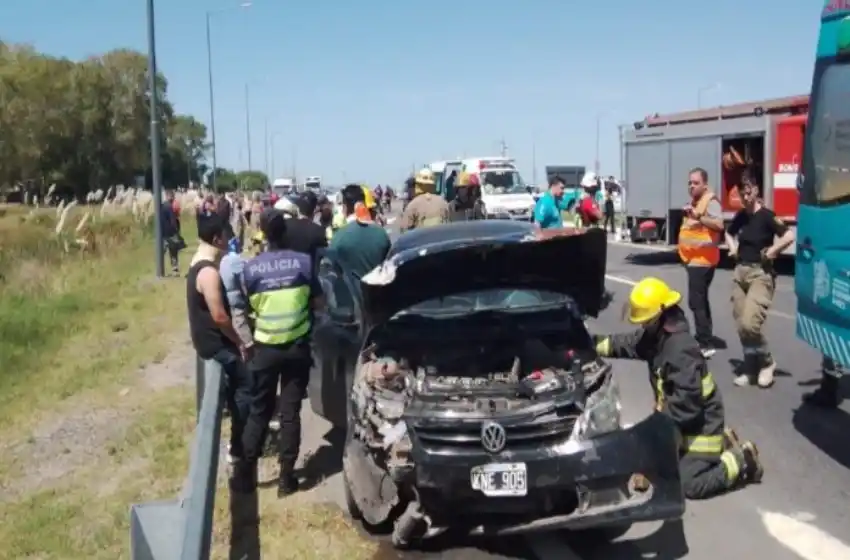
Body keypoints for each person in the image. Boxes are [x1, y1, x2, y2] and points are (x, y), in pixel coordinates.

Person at [594, 277, 763, 499]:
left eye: (646, 320)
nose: (642, 325)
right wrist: (590, 344)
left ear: (659, 315)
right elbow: (625, 344)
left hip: (701, 424)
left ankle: (743, 460)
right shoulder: (658, 336)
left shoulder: (679, 350)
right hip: (685, 421)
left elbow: (686, 407)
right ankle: (724, 441)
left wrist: (654, 429)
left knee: (688, 485)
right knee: (658, 454)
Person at [236, 211, 325, 496]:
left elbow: (248, 309)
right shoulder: (303, 263)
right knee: (290, 413)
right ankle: (287, 479)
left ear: (262, 234)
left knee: (259, 411)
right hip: (297, 348)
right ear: (284, 232)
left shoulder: (251, 269)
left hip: (265, 349)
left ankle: (245, 476)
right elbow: (319, 303)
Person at [187, 214, 252, 471]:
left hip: (206, 342)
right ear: (217, 239)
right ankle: (239, 447)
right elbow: (220, 316)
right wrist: (240, 343)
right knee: (246, 385)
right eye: (228, 236)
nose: (231, 240)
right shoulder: (209, 273)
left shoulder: (198, 264)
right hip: (214, 344)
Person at [725, 173, 795, 388]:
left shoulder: (766, 216)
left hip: (760, 275)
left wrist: (773, 251)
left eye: (749, 192)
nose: (746, 197)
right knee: (741, 326)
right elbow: (728, 232)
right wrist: (733, 248)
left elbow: (789, 235)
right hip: (739, 274)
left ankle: (766, 363)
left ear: (756, 191)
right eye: (742, 193)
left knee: (750, 323)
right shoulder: (740, 217)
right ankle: (749, 367)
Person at [679, 167, 725, 358]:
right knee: (701, 301)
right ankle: (706, 337)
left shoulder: (710, 201)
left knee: (696, 301)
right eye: (690, 182)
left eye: (696, 183)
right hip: (695, 259)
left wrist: (698, 216)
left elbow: (719, 224)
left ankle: (704, 342)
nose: (692, 186)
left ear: (705, 184)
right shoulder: (696, 202)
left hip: (703, 261)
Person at [329, 184, 391, 279]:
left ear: (345, 207)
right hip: (379, 291)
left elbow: (331, 270)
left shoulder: (339, 238)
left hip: (351, 293)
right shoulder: (381, 234)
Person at [160, 191, 182, 275]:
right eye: (172, 197)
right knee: (173, 251)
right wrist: (176, 230)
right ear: (171, 197)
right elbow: (173, 221)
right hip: (171, 233)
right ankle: (174, 269)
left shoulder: (162, 206)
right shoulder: (170, 207)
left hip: (163, 232)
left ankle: (160, 268)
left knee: (163, 250)